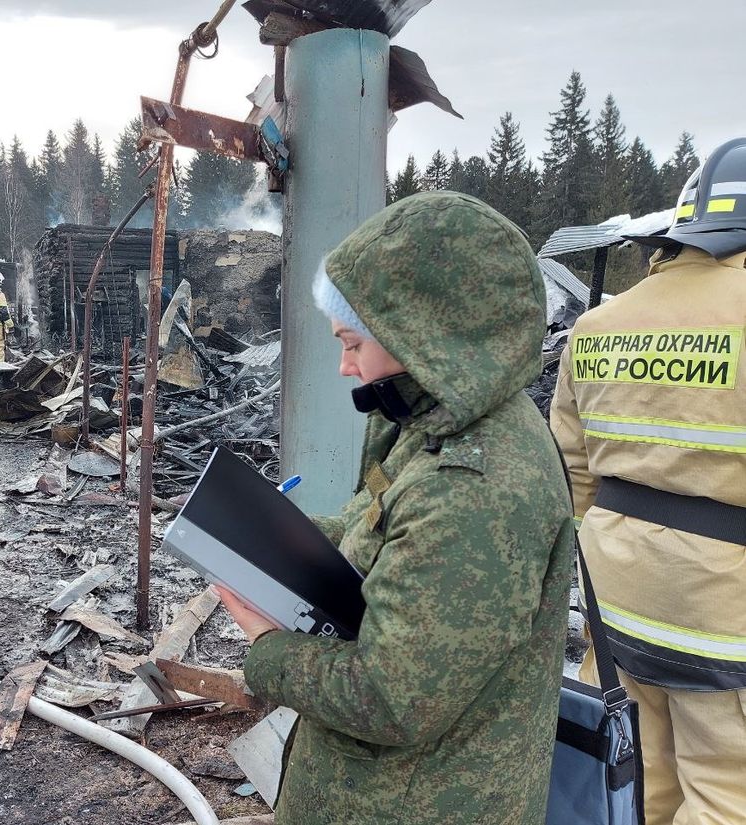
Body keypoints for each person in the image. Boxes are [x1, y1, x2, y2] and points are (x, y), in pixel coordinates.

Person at [218, 191, 574, 825]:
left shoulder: (475, 487)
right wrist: (280, 537)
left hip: (418, 802)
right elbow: (389, 532)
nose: (343, 365)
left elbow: (391, 699)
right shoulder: (437, 415)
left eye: (353, 343)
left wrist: (266, 647)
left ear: (425, 335)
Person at [550, 137, 746, 825]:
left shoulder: (598, 325)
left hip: (618, 607)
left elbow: (569, 472)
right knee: (727, 797)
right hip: (726, 620)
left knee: (635, 790)